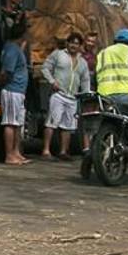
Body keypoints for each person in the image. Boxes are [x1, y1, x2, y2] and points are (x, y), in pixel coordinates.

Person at [40, 32, 91, 160]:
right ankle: (46, 150)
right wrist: (52, 81)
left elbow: (85, 80)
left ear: (80, 46)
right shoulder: (58, 54)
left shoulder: (83, 62)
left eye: (77, 43)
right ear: (67, 43)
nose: (74, 45)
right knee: (52, 122)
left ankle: (63, 151)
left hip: (73, 97)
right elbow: (45, 68)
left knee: (68, 126)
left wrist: (85, 95)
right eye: (72, 42)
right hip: (58, 94)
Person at [0, 23, 31, 165]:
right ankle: (9, 155)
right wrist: (4, 83)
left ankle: (16, 152)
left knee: (18, 124)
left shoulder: (16, 48)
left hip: (19, 91)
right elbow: (6, 72)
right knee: (10, 123)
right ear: (22, 34)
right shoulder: (12, 49)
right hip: (12, 90)